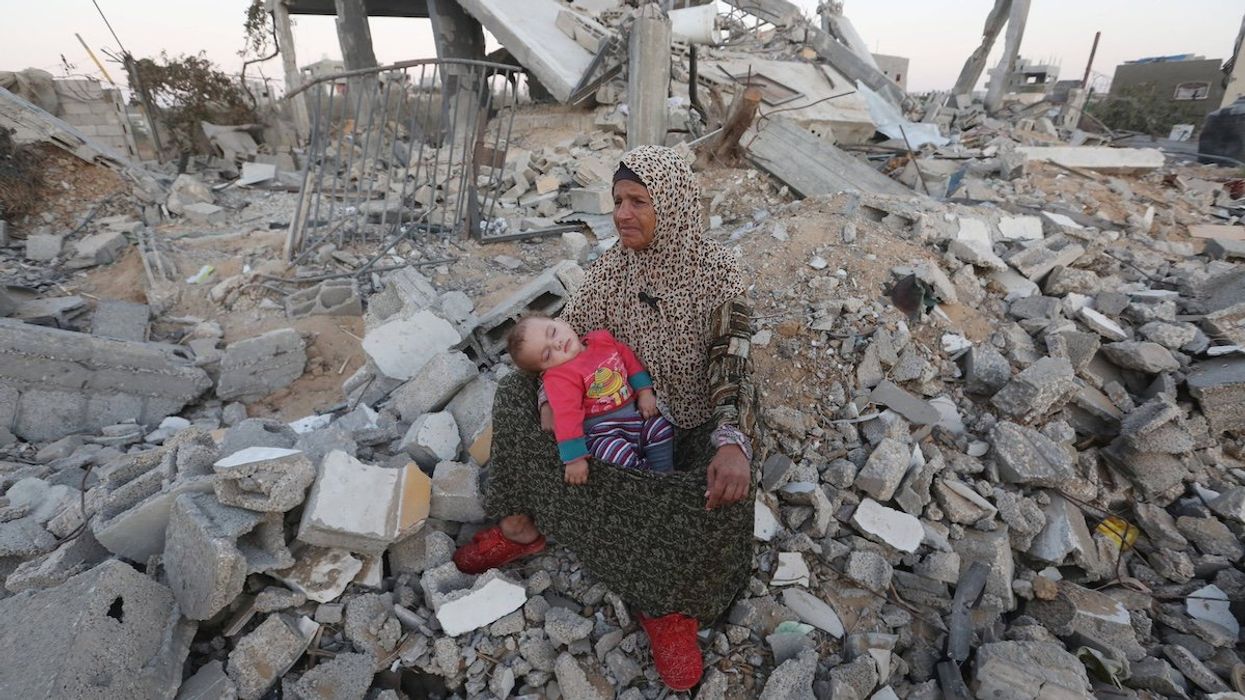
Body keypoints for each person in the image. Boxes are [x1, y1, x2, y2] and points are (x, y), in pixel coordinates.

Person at [453, 145, 757, 691]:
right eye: (617, 200)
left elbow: (734, 362)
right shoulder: (611, 271)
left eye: (639, 201)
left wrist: (732, 440)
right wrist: (549, 402)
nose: (622, 214)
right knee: (514, 398)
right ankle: (526, 525)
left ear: (674, 204)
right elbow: (561, 337)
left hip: (681, 417)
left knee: (711, 486)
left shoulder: (719, 273)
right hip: (606, 412)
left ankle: (668, 607)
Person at [507, 316, 675, 480]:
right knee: (613, 454)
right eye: (547, 354)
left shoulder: (602, 340)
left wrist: (644, 392)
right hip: (602, 434)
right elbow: (566, 415)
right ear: (544, 369)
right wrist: (574, 457)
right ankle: (647, 480)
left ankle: (664, 474)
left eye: (552, 332)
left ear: (561, 322)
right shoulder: (559, 377)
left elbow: (629, 361)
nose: (556, 343)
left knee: (660, 426)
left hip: (636, 419)